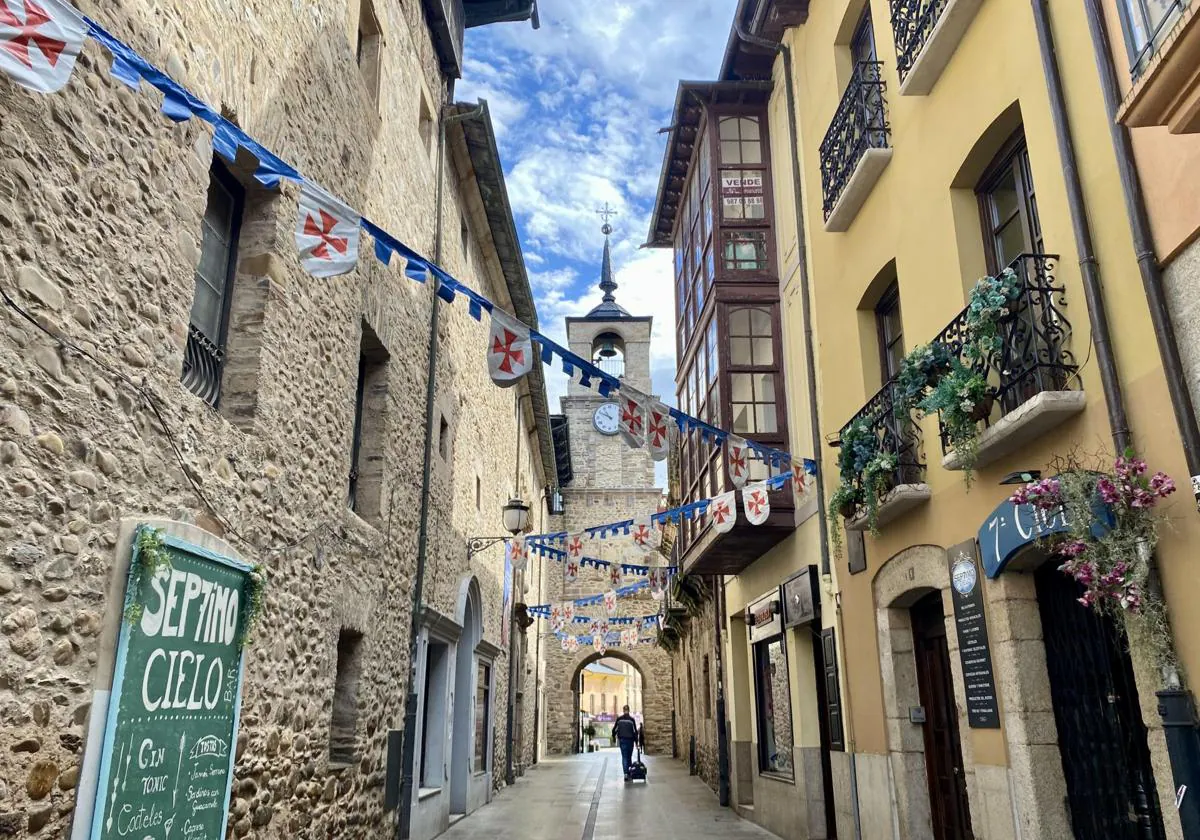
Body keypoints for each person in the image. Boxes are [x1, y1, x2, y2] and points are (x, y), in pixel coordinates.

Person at [613, 705, 639, 780]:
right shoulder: (631, 720)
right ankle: (629, 772)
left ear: (623, 710)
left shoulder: (619, 719)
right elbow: (635, 732)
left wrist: (614, 737)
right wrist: (636, 742)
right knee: (629, 757)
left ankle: (625, 774)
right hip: (630, 741)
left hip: (622, 740)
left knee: (624, 757)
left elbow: (614, 730)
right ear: (629, 710)